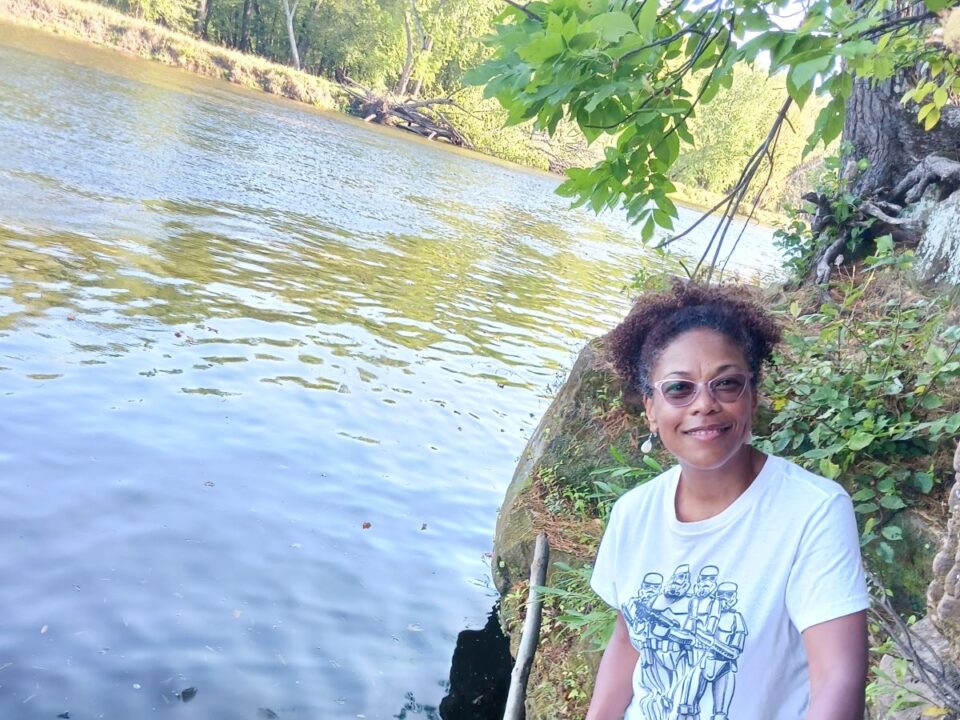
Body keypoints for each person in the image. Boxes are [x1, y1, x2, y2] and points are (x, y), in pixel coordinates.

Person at [585, 281, 869, 720]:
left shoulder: (813, 511)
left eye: (727, 384)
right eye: (679, 389)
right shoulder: (633, 513)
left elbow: (837, 679)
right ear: (650, 409)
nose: (705, 404)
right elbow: (627, 641)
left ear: (752, 396)